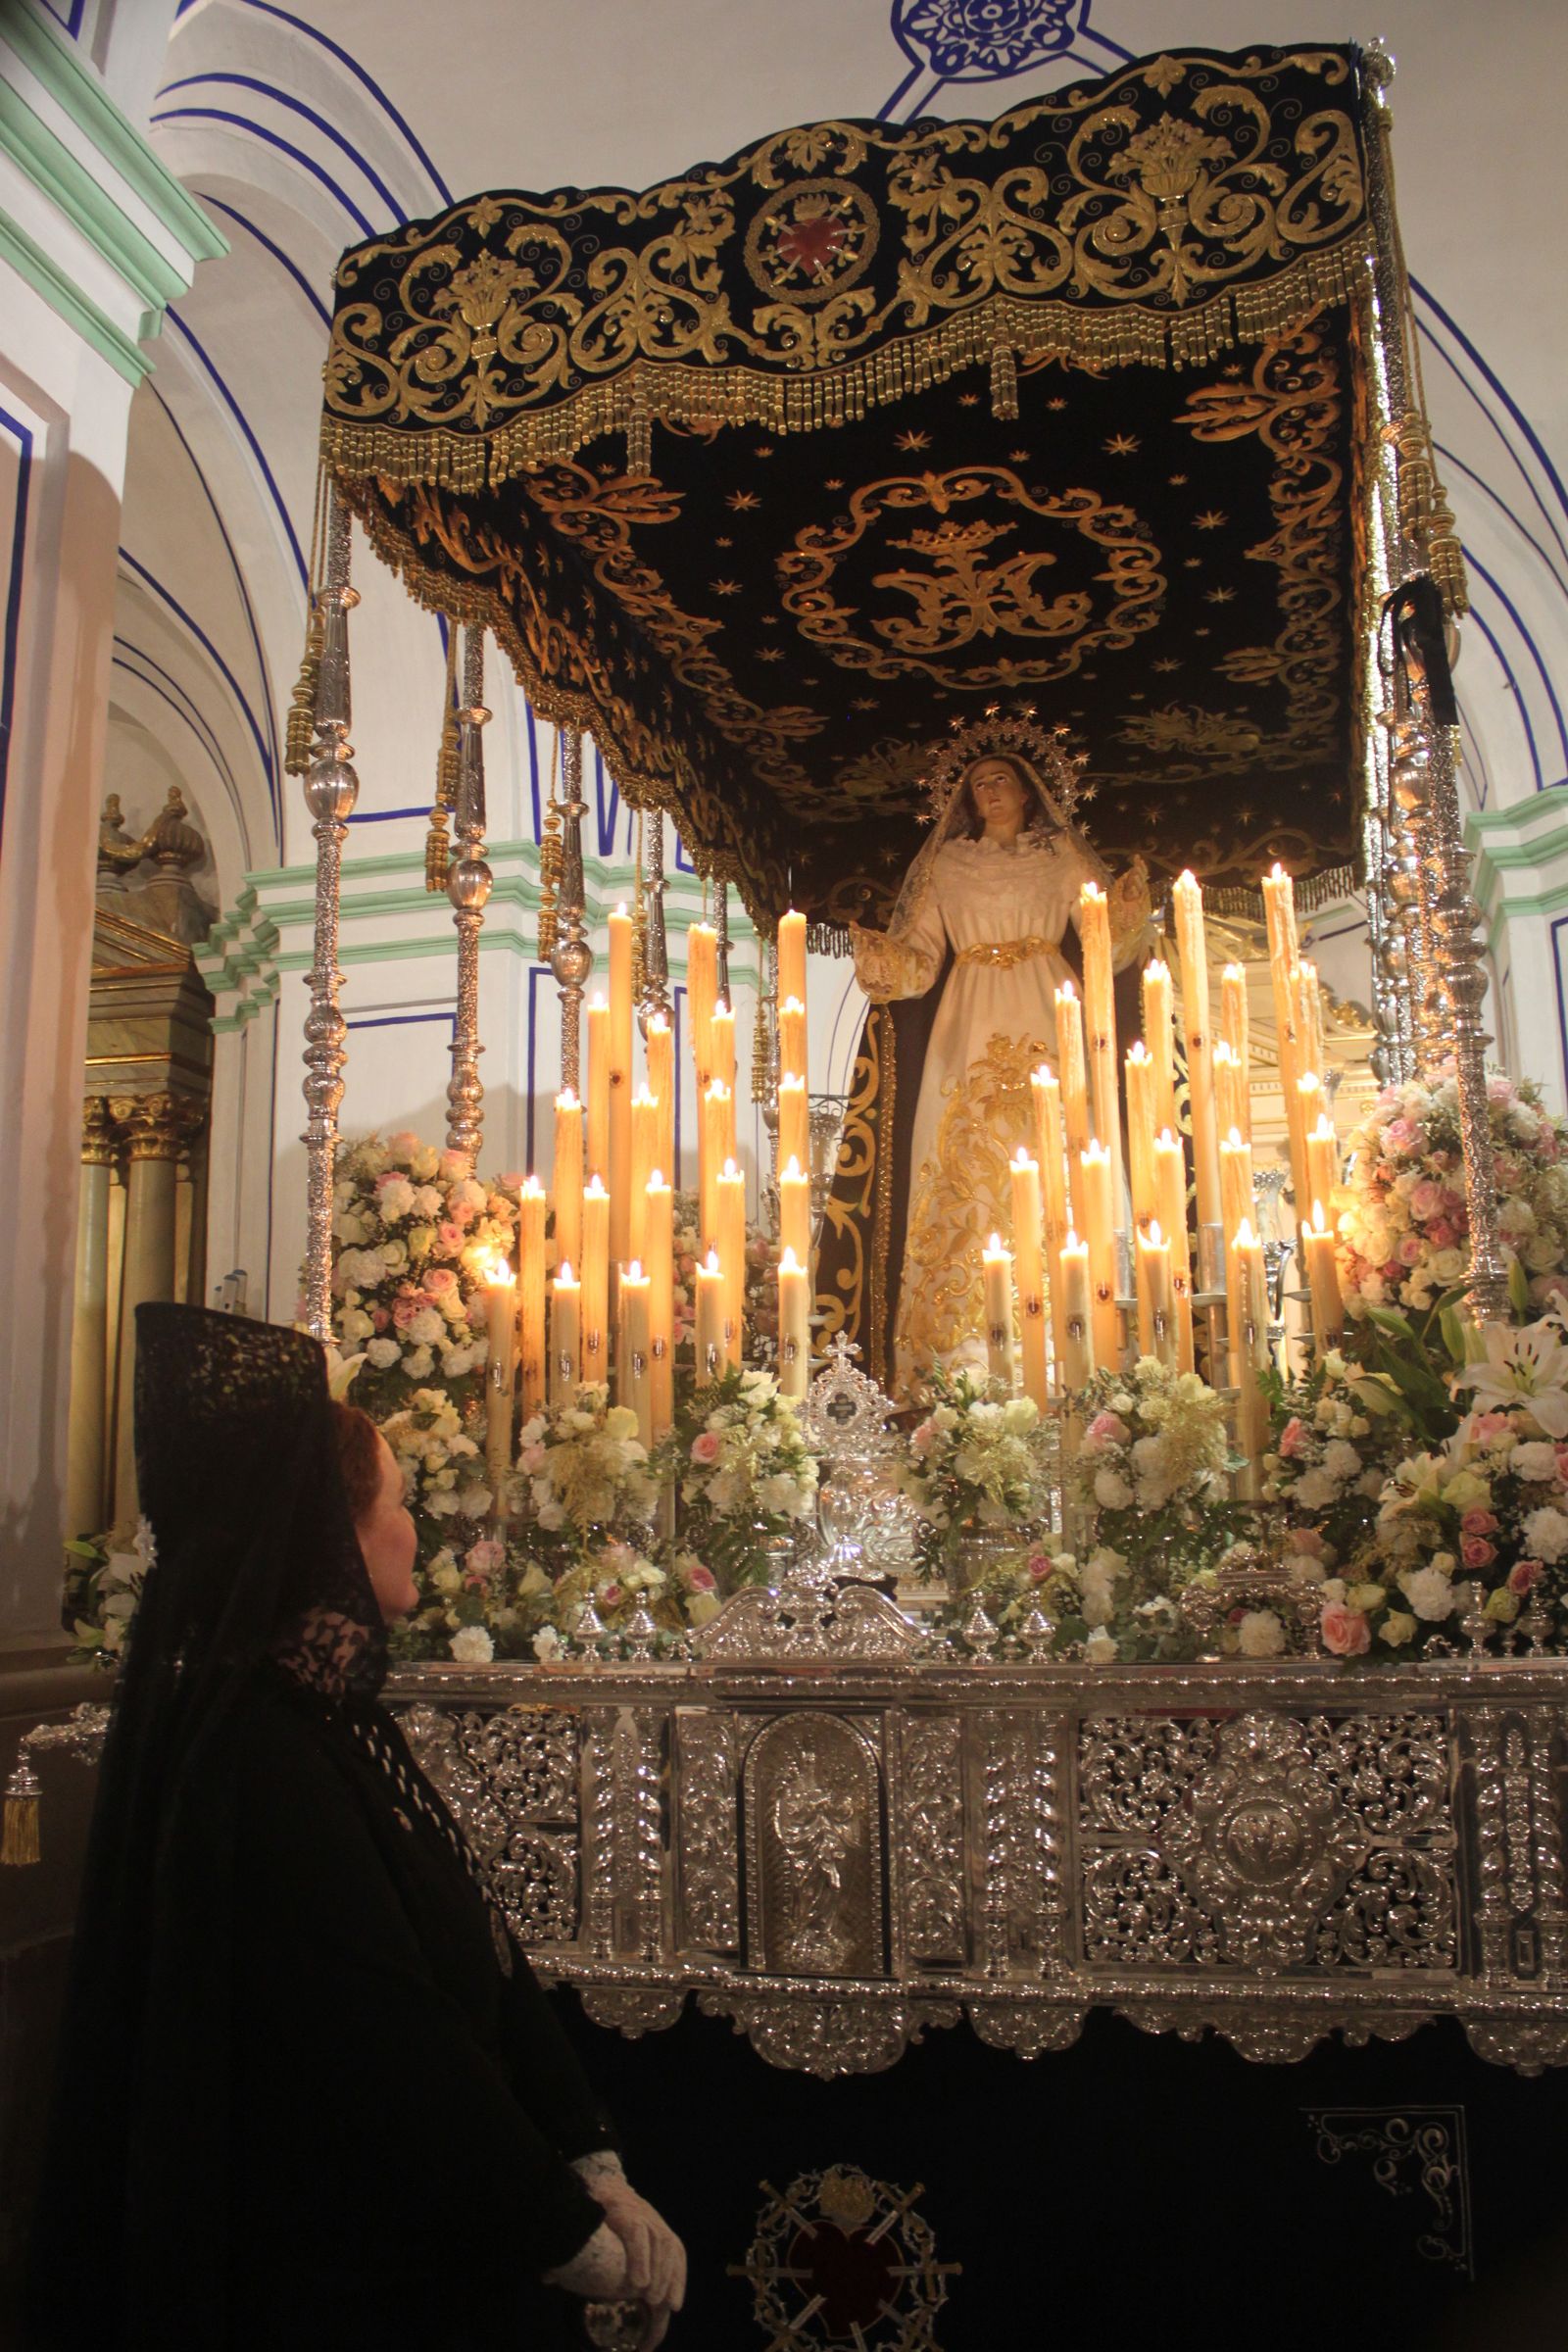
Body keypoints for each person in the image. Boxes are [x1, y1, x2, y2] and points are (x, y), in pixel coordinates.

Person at [26, 1303, 685, 2351]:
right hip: (336, 2286)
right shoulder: (263, 1754)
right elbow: (384, 2037)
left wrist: (589, 2160)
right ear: (328, 1533)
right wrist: (571, 2239)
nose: (418, 1528)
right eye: (401, 1501)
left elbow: (484, 1952)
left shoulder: (335, 1719)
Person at [846, 742, 1148, 1388]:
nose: (989, 790)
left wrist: (1122, 911)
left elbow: (1099, 933)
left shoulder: (1058, 856)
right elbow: (922, 954)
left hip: (1049, 1000)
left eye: (1001, 779)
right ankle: (959, 1356)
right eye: (979, 782)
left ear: (1027, 791)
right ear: (966, 799)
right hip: (970, 1016)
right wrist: (886, 962)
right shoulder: (948, 864)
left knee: (1064, 1144)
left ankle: (1082, 1338)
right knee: (965, 1152)